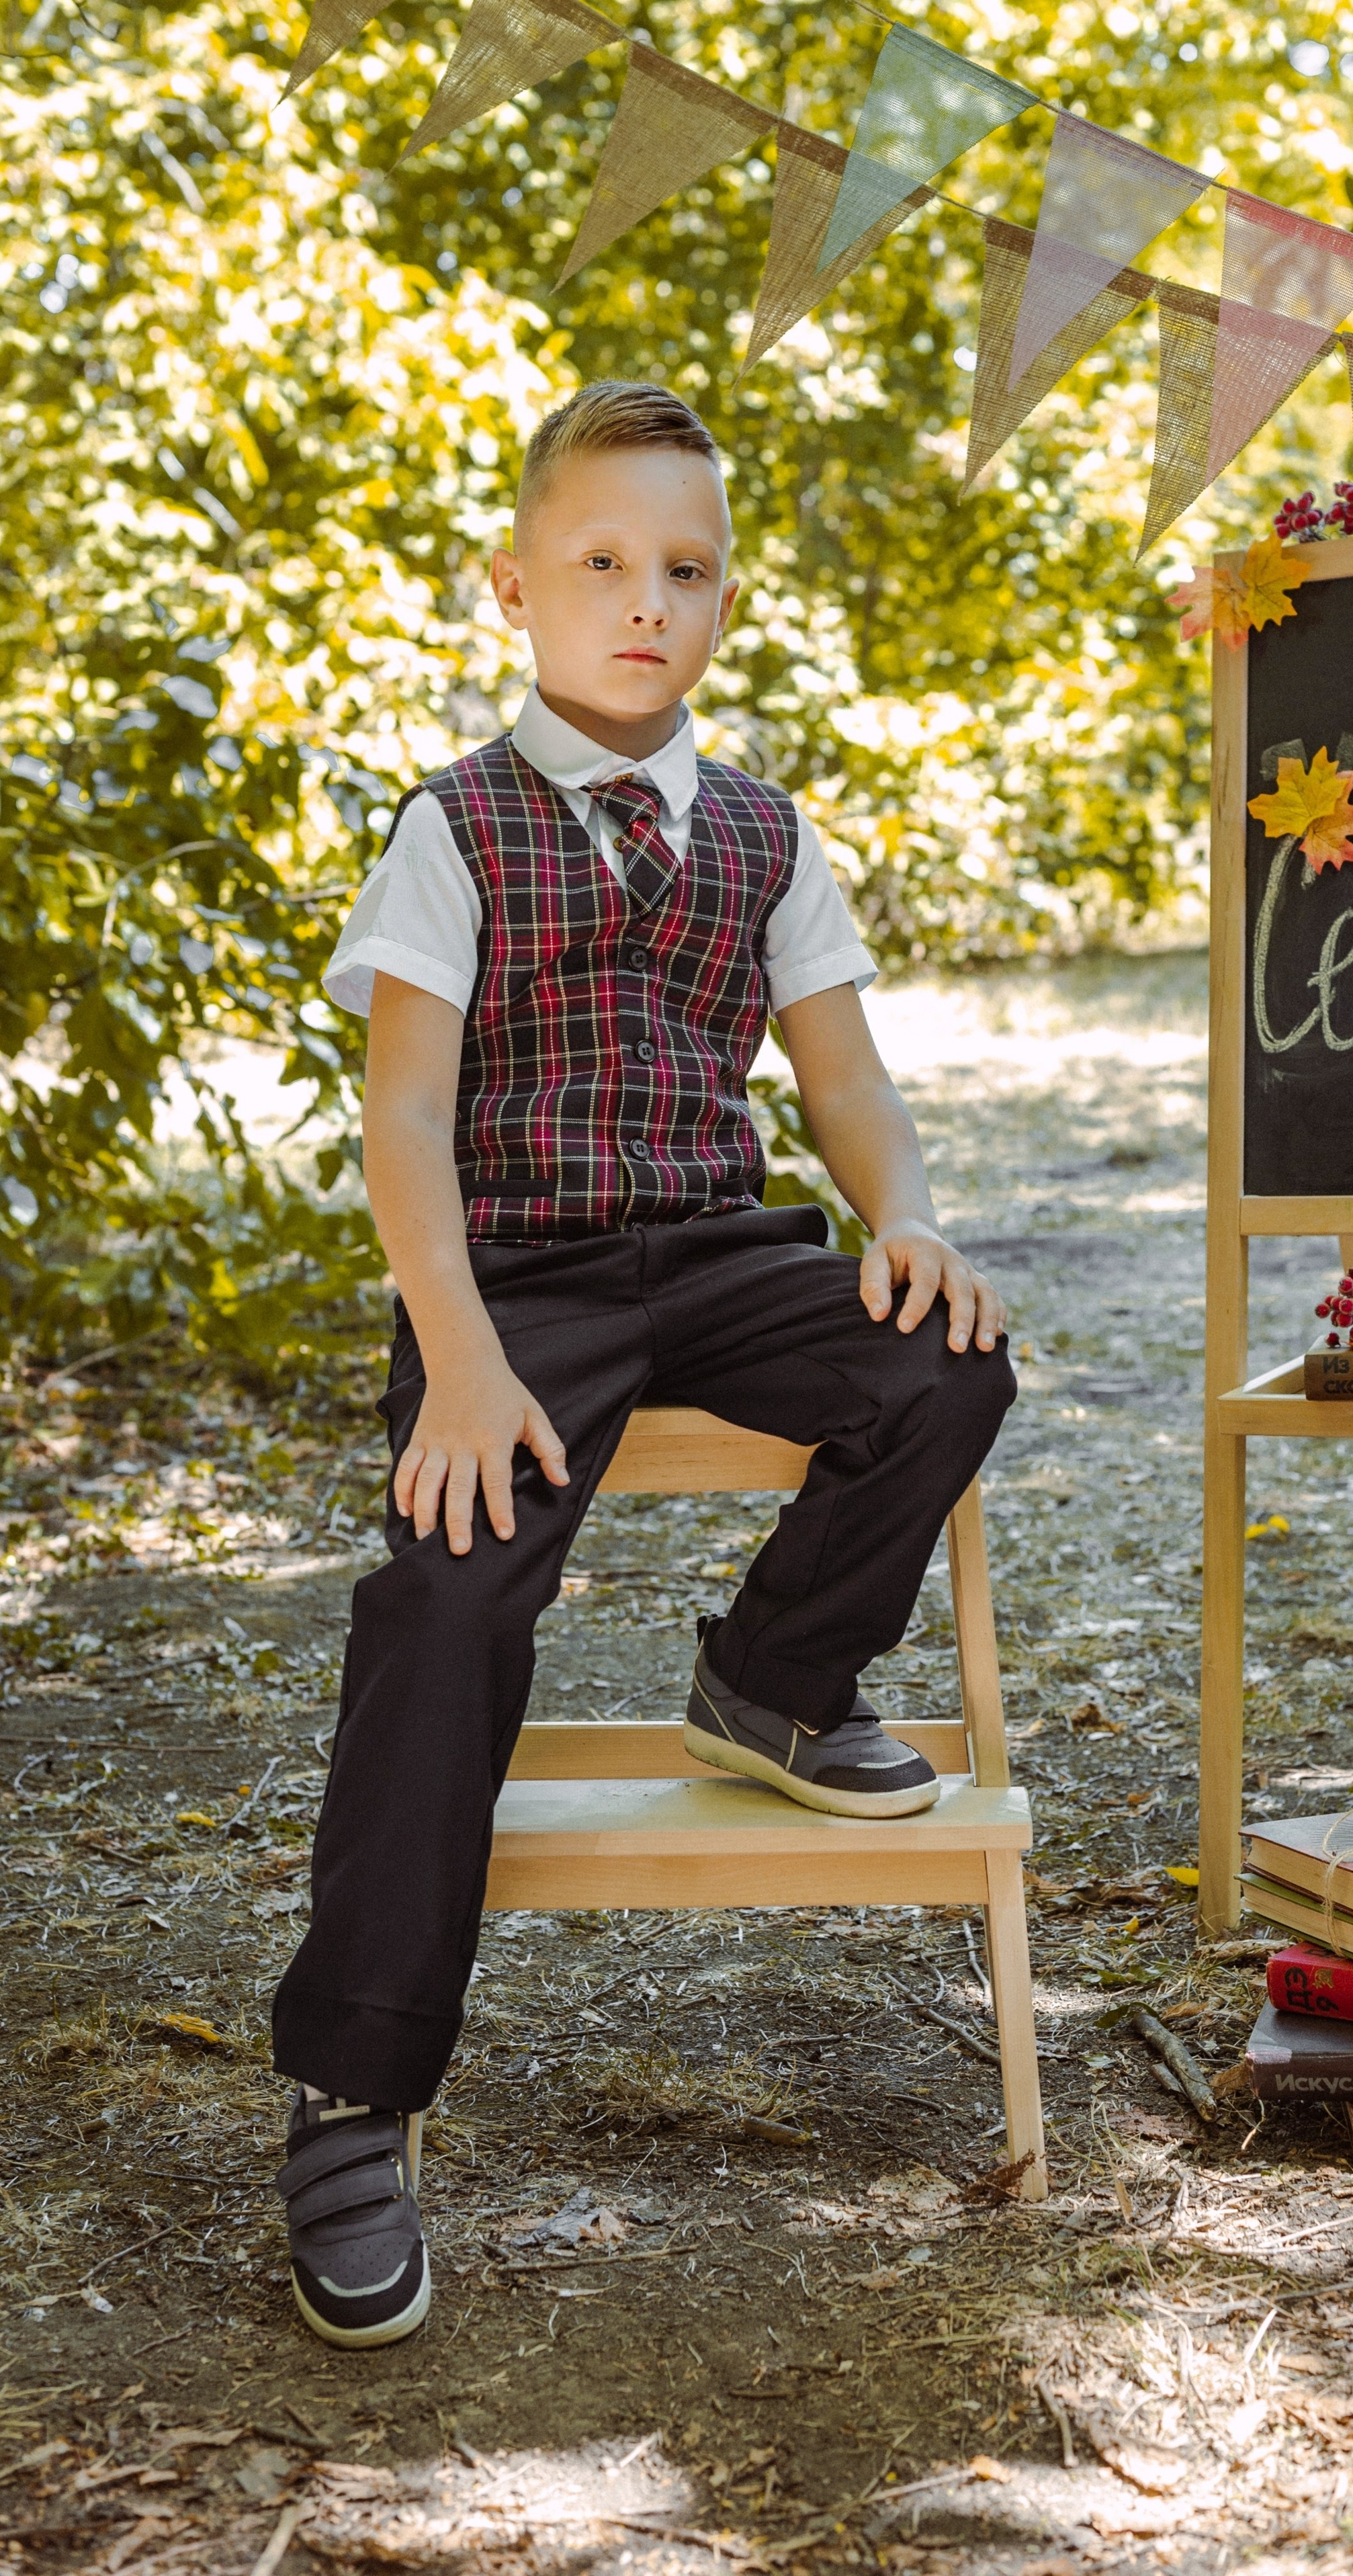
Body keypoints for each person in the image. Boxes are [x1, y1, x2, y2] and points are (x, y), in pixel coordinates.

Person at [268, 380, 1014, 2348]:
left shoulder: (764, 832)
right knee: (447, 1596)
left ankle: (769, 1681)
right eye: (601, 562)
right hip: (518, 1278)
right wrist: (455, 1359)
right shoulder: (455, 826)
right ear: (515, 587)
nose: (645, 601)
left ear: (724, 602)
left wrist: (906, 1215)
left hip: (715, 1250)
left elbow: (843, 1078)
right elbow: (403, 1123)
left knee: (946, 1367)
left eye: (685, 570)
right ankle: (352, 2080)